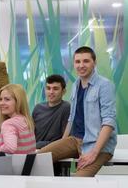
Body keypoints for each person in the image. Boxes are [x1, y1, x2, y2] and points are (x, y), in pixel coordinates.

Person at [39, 46, 117, 177]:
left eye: (86, 61)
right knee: (37, 159)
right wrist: (62, 143)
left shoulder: (104, 85)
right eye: (77, 62)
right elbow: (72, 117)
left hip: (97, 145)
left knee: (77, 181)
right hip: (75, 140)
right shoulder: (75, 85)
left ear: (94, 62)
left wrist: (93, 153)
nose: (81, 65)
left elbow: (109, 122)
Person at [0, 84, 36, 154]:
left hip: (11, 164)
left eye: (7, 99)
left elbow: (10, 148)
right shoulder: (26, 120)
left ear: (18, 102)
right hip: (26, 164)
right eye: (0, 99)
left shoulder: (9, 124)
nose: (1, 103)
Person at [32, 74, 70, 149]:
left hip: (54, 151)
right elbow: (30, 134)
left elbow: (65, 139)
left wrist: (39, 145)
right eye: (48, 88)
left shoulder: (66, 107)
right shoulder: (38, 108)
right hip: (34, 150)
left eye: (55, 89)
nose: (51, 92)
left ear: (63, 91)